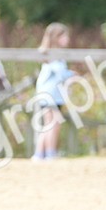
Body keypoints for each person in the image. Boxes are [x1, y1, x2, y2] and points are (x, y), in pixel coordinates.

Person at [31, 23, 74, 160]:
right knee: (53, 124)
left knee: (49, 124)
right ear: (57, 38)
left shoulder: (54, 55)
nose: (67, 39)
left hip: (51, 95)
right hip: (50, 95)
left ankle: (40, 154)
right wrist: (73, 75)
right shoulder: (53, 55)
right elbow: (61, 73)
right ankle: (50, 153)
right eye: (64, 36)